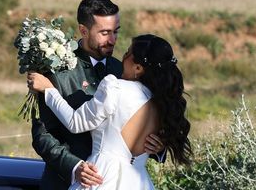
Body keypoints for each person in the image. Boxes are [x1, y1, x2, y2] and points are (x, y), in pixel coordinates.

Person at [30, 0, 164, 190]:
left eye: (115, 32)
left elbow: (139, 122)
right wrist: (75, 167)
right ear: (83, 30)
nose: (112, 40)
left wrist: (157, 148)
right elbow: (42, 134)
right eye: (104, 32)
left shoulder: (124, 70)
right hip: (63, 181)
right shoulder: (56, 70)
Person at [28, 34, 192, 190]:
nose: (123, 57)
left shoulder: (116, 88)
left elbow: (75, 123)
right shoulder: (162, 101)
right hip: (139, 181)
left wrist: (49, 90)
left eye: (128, 53)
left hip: (102, 177)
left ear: (138, 67)